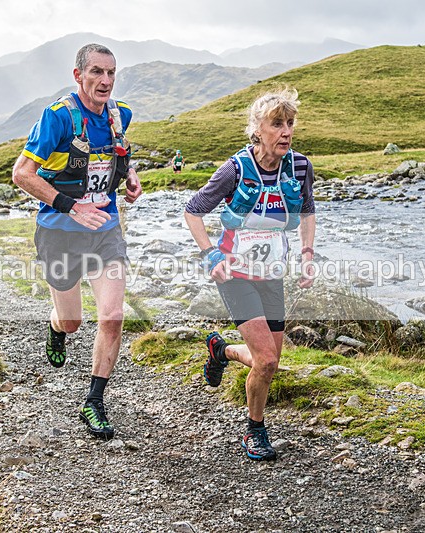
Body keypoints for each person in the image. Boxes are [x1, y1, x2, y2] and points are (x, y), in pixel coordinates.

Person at [12, 43, 142, 440]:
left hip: (105, 229)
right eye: (97, 72)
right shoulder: (58, 117)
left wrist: (130, 175)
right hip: (60, 232)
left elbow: (116, 154)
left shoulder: (120, 114)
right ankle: (56, 326)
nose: (105, 80)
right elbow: (21, 174)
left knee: (113, 316)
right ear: (78, 75)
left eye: (111, 73)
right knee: (72, 322)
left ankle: (94, 401)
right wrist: (72, 207)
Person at [184, 88, 316, 461]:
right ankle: (254, 431)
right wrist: (211, 255)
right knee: (268, 361)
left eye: (290, 123)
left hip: (271, 273)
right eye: (277, 124)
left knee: (269, 360)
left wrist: (307, 254)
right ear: (258, 129)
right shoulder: (235, 169)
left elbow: (307, 211)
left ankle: (221, 350)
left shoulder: (300, 167)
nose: (286, 131)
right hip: (234, 274)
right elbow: (193, 211)